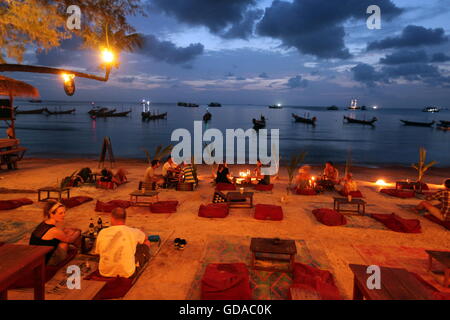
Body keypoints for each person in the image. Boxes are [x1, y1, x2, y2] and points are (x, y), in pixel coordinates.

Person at [95, 208, 151, 278]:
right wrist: (140, 233)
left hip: (104, 272)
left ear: (111, 218)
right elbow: (145, 238)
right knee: (146, 243)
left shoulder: (102, 232)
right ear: (125, 219)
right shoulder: (132, 231)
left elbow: (98, 253)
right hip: (127, 273)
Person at [29, 201, 81, 265]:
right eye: (60, 213)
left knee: (67, 232)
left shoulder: (44, 223)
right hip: (45, 260)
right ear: (51, 214)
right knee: (65, 242)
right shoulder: (54, 230)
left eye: (64, 212)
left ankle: (79, 248)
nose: (64, 215)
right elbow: (70, 240)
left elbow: (61, 232)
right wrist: (78, 232)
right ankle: (80, 250)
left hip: (37, 255)